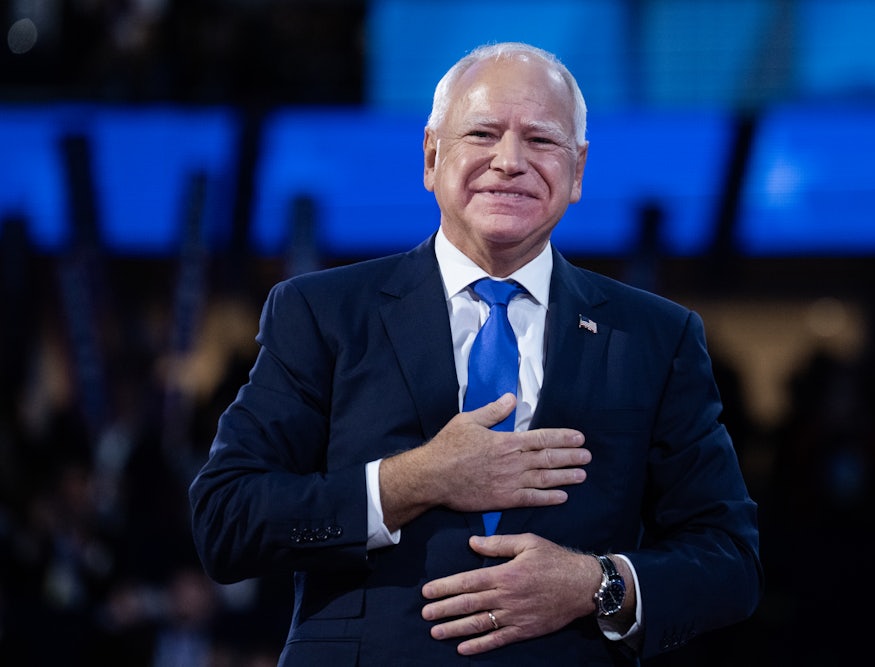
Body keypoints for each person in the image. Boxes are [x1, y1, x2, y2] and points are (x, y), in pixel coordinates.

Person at [189, 41, 763, 666]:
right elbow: (227, 519)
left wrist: (594, 583)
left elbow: (728, 559)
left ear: (578, 171)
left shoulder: (654, 336)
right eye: (483, 133)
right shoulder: (322, 313)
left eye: (542, 141)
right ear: (432, 155)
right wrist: (416, 478)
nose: (509, 161)